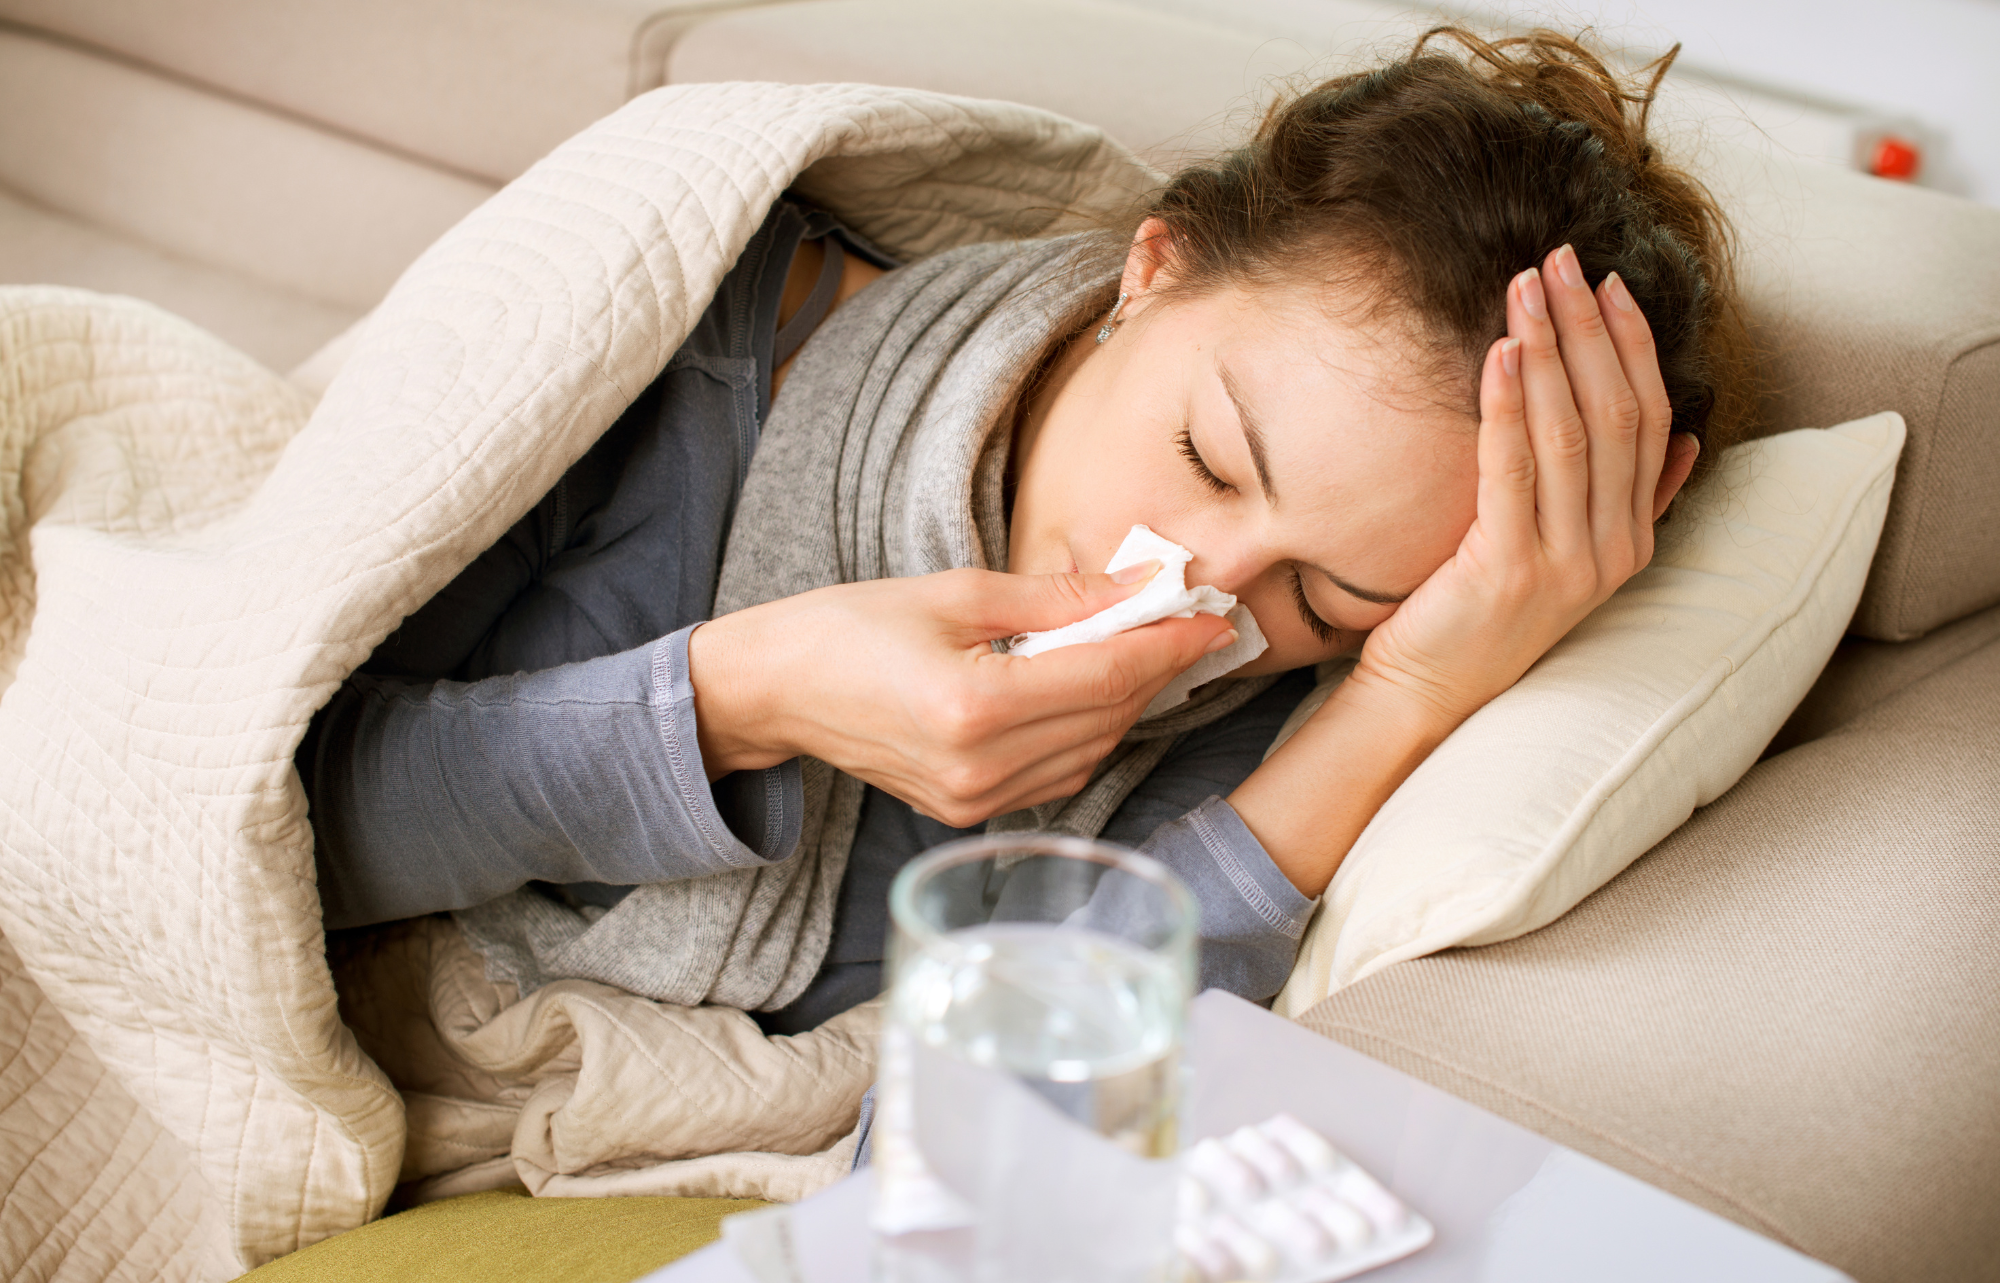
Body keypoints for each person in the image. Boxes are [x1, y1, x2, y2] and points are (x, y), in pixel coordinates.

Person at [299, 28, 1753, 1033]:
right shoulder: (665, 339)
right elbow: (265, 817)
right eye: (1208, 455)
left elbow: (1006, 1115)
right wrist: (743, 696)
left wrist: (1402, 694)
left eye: (1330, 588)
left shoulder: (1272, 693)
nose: (1200, 597)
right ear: (1153, 270)